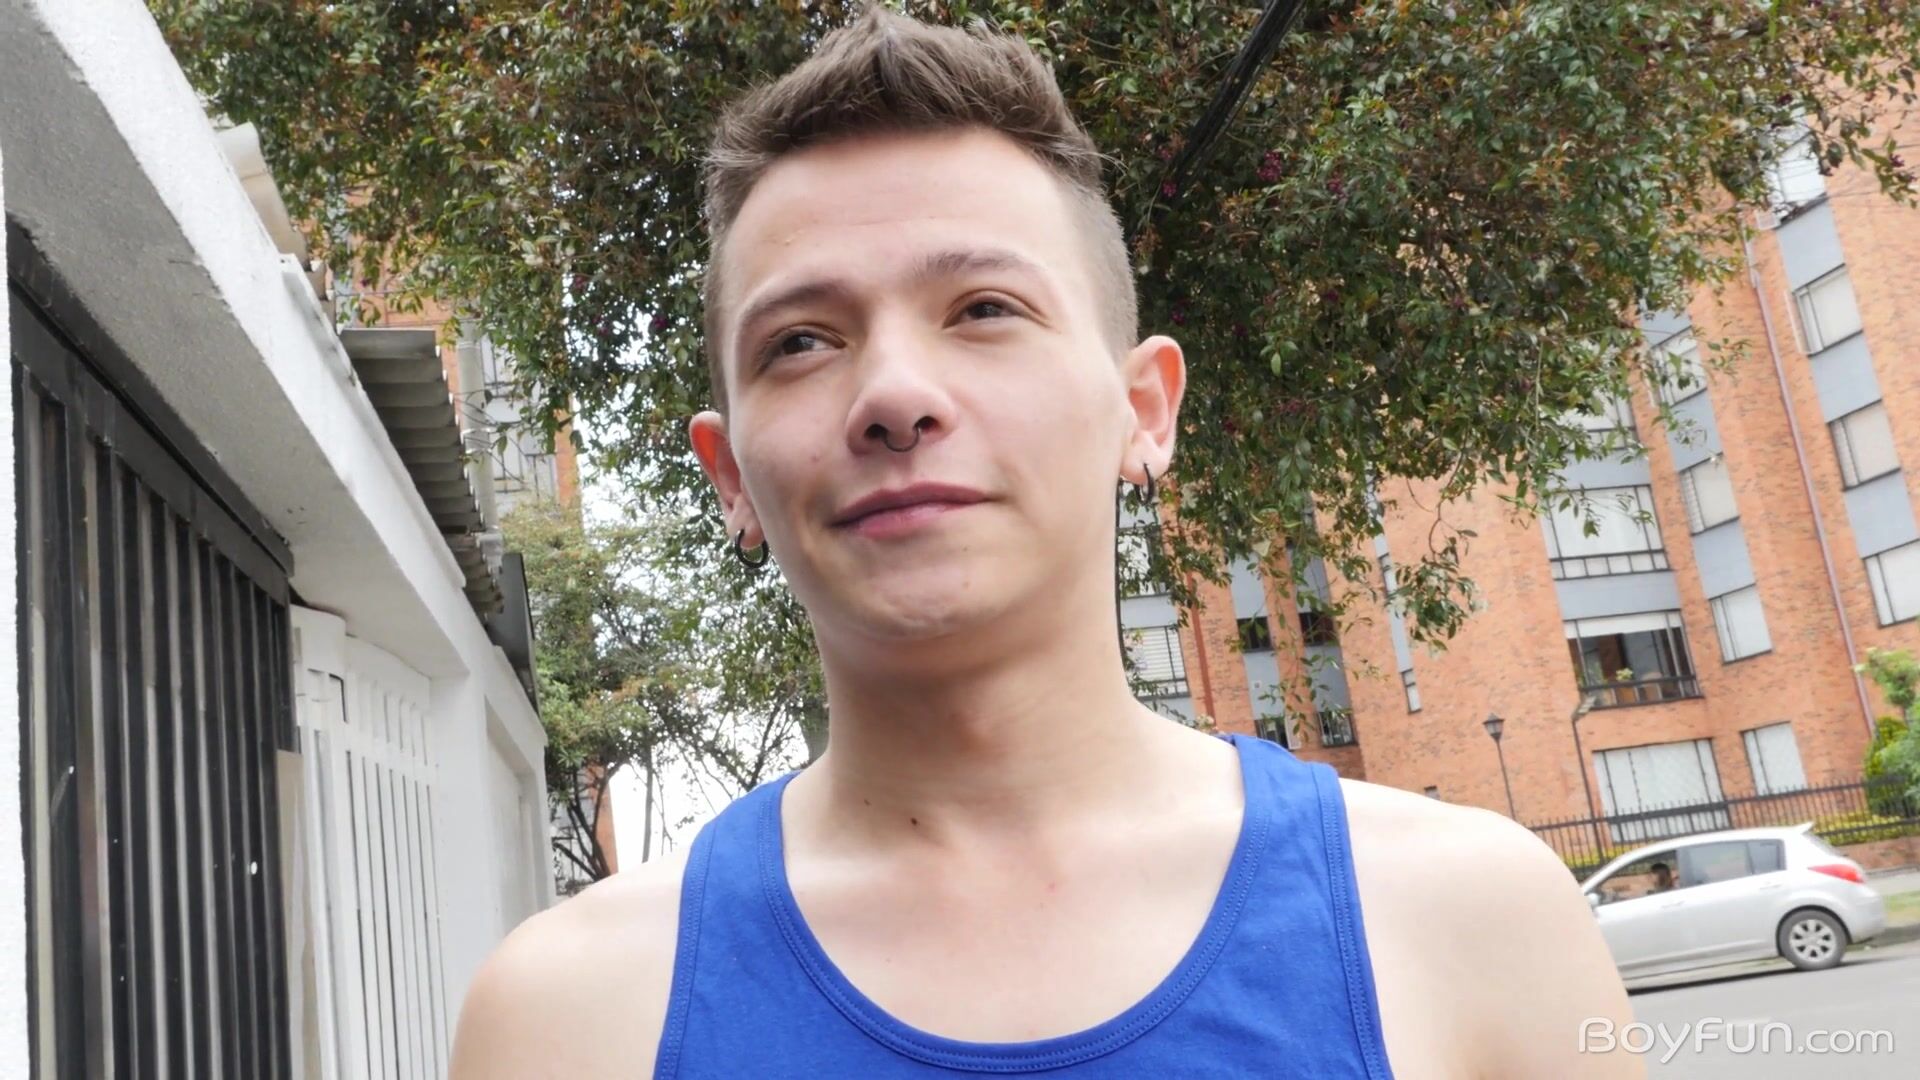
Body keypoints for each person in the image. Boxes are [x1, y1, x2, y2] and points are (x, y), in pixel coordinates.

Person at [449, 8, 1639, 1077]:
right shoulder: (571, 1018)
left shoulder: (1468, 923)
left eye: (984, 310)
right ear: (730, 478)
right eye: (801, 341)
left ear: (1144, 410)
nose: (894, 395)